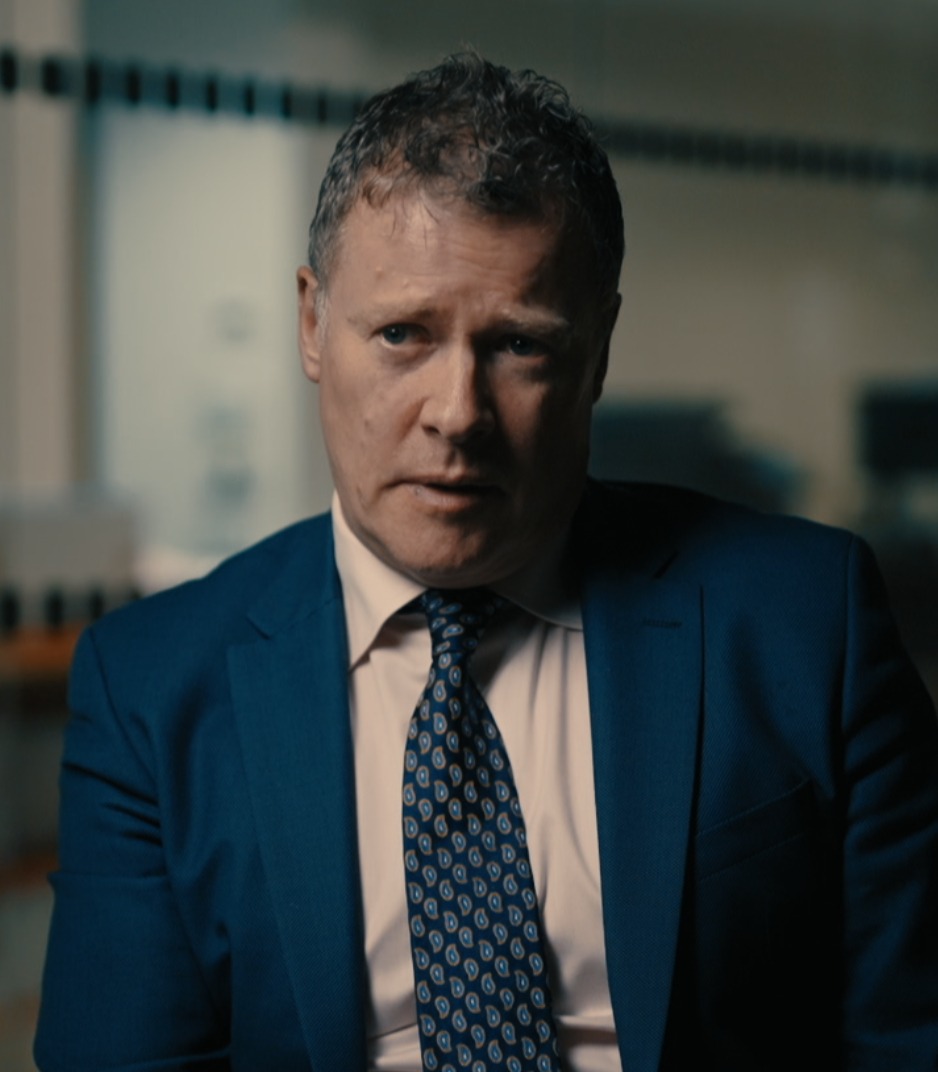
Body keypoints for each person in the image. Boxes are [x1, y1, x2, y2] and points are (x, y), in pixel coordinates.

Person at [36, 52, 938, 1072]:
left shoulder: (806, 621)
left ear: (597, 353)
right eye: (401, 334)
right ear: (311, 326)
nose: (457, 414)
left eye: (518, 346)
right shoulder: (150, 688)